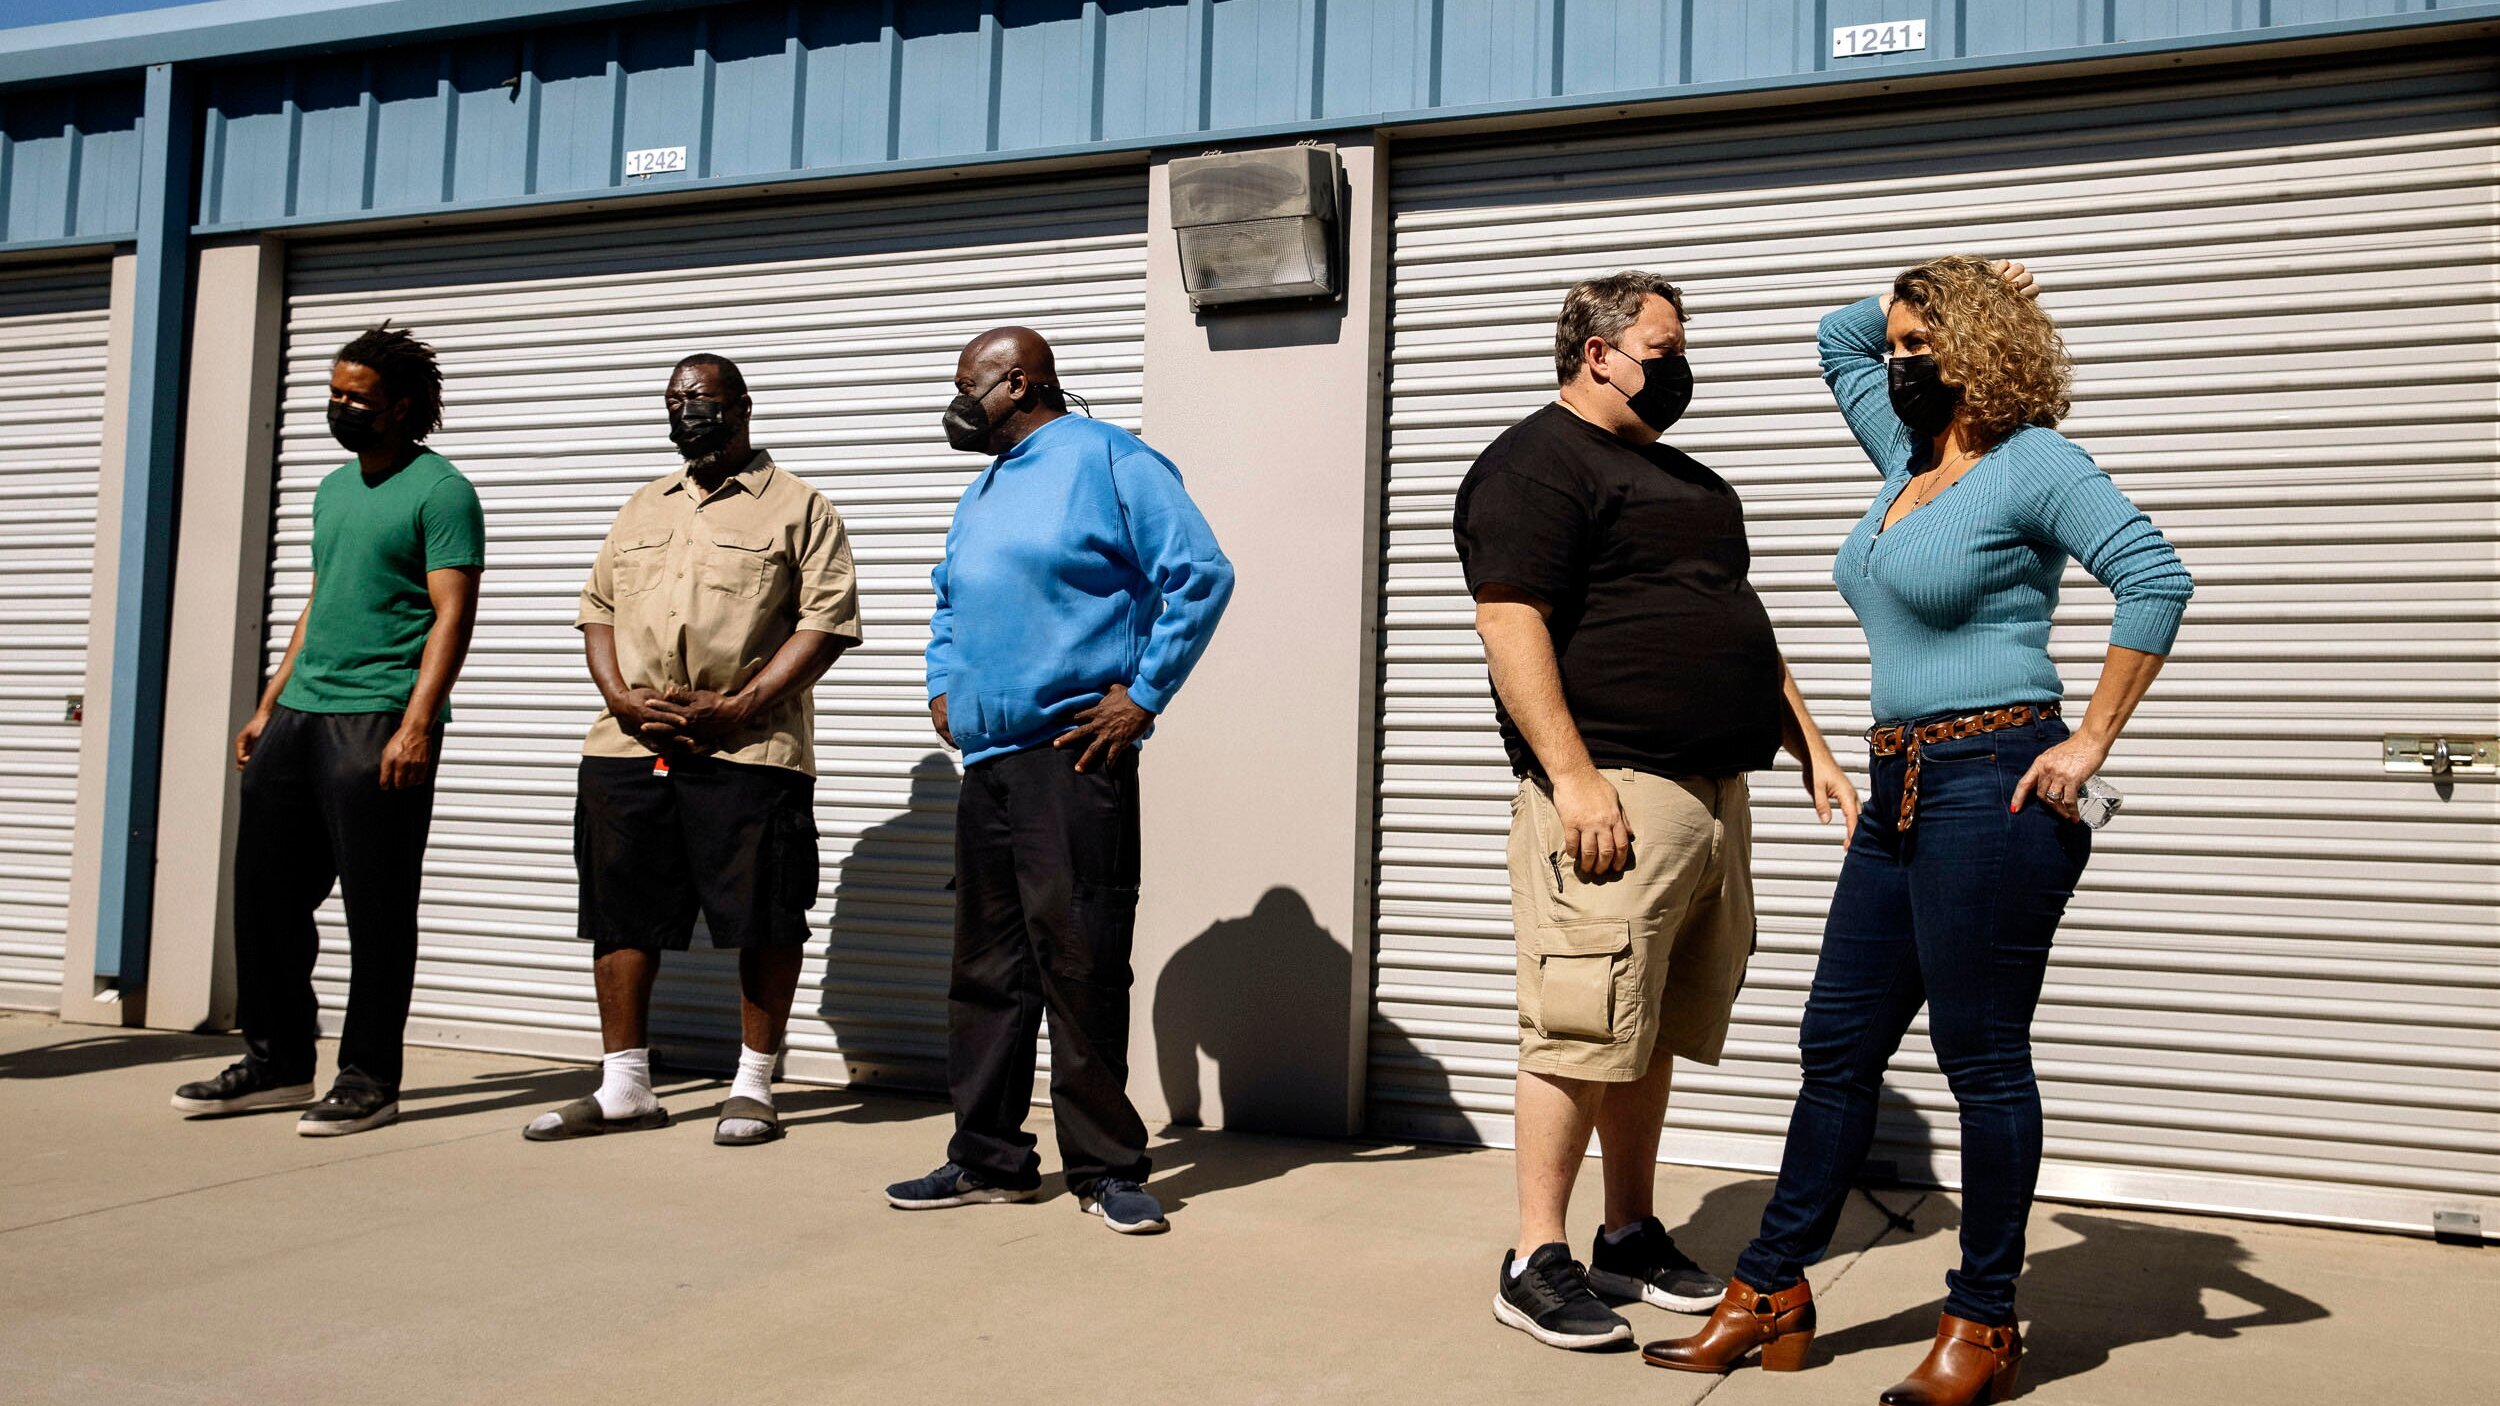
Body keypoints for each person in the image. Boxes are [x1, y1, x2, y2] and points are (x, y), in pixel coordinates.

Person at [1645, 258, 2193, 1406]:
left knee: (1980, 1058)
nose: (1895, 361)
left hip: (1994, 779)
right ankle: (1771, 1286)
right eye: (1896, 343)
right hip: (1899, 785)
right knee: (1836, 1043)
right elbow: (1830, 337)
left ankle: (1982, 1319)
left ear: (1980, 348)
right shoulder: (1905, 456)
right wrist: (1947, 276)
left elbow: (2154, 577)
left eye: (1919, 345)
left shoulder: (2032, 462)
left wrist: (2088, 741)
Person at [1460, 272, 1859, 1351]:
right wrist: (1574, 776)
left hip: (1712, 793)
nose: (1680, 365)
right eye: (1663, 346)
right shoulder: (1533, 465)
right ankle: (1534, 1257)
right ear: (1598, 353)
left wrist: (1812, 749)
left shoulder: (1689, 481)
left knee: (1648, 1025)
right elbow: (1509, 623)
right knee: (1581, 1018)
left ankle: (1627, 1232)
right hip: (1615, 790)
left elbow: (1741, 624)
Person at [884, 327, 1233, 1235]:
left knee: (1081, 964)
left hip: (1074, 758)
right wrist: (941, 684)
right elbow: (950, 597)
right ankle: (988, 1159)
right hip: (989, 765)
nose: (957, 403)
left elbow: (1200, 573)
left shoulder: (1109, 460)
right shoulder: (986, 488)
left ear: (1020, 383)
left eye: (968, 385)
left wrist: (1144, 695)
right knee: (987, 972)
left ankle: (1107, 1170)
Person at [522, 354, 860, 1147]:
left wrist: (737, 706)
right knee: (620, 912)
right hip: (628, 745)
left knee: (763, 915)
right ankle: (624, 1087)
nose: (686, 411)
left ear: (742, 405)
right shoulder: (644, 505)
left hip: (750, 749)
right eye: (674, 400)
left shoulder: (800, 507)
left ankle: (752, 1087)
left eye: (700, 398)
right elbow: (598, 608)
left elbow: (826, 623)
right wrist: (619, 699)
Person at [171, 324, 484, 1136]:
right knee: (265, 898)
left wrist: (417, 725)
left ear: (401, 407)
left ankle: (369, 1077)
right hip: (302, 715)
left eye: (357, 398)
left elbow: (453, 615)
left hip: (379, 715)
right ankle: (277, 1062)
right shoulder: (334, 489)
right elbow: (322, 599)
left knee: (378, 908)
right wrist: (269, 702)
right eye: (335, 393)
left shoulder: (441, 491)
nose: (340, 407)